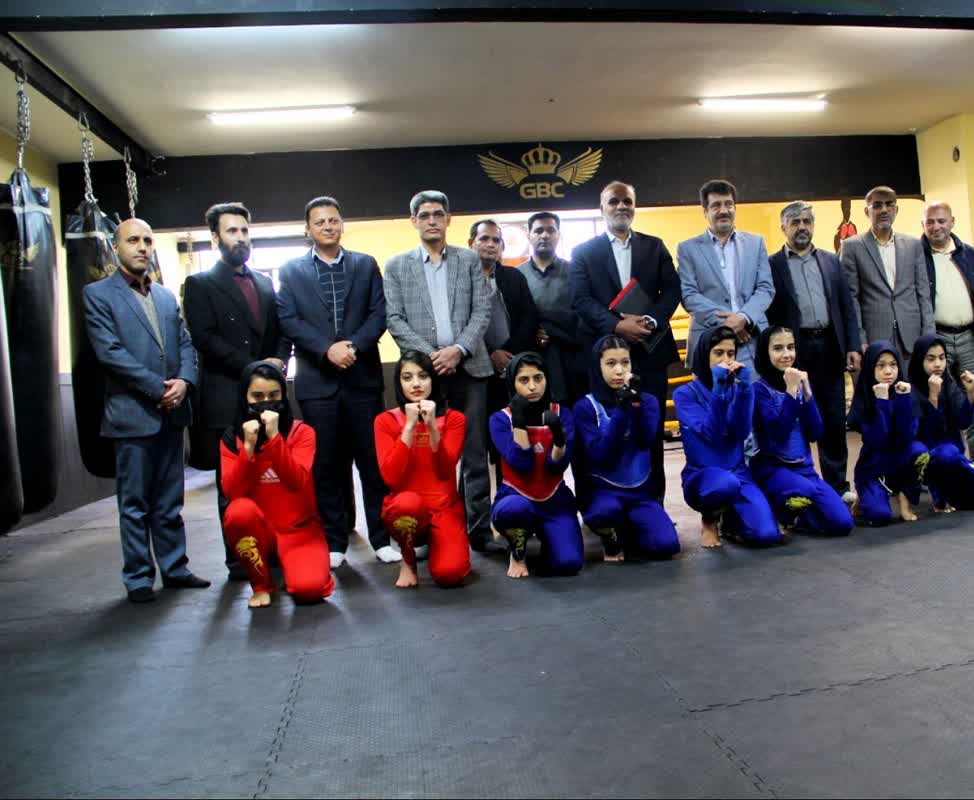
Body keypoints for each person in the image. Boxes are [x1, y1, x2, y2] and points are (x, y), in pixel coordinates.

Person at [83, 218, 209, 602]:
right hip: (133, 415)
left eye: (148, 240)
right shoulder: (98, 294)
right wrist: (159, 389)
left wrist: (184, 382)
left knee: (170, 501)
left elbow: (185, 344)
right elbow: (110, 353)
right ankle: (138, 577)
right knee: (135, 503)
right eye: (133, 240)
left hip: (172, 413)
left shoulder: (166, 297)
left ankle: (175, 568)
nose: (142, 247)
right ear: (115, 247)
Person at [277, 196, 399, 567]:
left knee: (372, 463)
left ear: (342, 224)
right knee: (326, 465)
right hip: (317, 383)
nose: (328, 226)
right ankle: (334, 542)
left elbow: (380, 312)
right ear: (308, 229)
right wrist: (325, 350)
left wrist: (353, 346)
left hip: (362, 379)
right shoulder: (291, 270)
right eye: (320, 222)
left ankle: (381, 538)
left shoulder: (364, 264)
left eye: (333, 220)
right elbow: (289, 319)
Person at [384, 190, 499, 554]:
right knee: (426, 456)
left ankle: (479, 531)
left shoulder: (469, 260)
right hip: (424, 375)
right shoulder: (397, 266)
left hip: (470, 367)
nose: (432, 220)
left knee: (475, 454)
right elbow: (394, 318)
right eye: (424, 215)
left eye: (438, 214)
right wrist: (429, 358)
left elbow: (482, 310)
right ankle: (426, 531)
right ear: (413, 221)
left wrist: (458, 349)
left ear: (448, 219)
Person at [183, 202, 291, 581]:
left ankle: (274, 551)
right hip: (225, 398)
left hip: (269, 400)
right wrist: (254, 371)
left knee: (271, 478)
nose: (241, 238)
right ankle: (239, 559)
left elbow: (280, 333)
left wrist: (277, 362)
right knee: (232, 486)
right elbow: (204, 339)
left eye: (245, 231)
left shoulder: (264, 282)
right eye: (232, 231)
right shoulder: (199, 284)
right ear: (215, 238)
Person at [572, 183, 682, 500]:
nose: (621, 206)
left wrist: (651, 320)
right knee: (606, 431)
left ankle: (654, 504)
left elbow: (672, 290)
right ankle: (605, 507)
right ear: (602, 208)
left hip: (650, 352)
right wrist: (618, 326)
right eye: (614, 201)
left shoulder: (654, 246)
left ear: (634, 206)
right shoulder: (583, 252)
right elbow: (580, 299)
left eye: (627, 201)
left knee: (651, 431)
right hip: (603, 358)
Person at [766, 201, 861, 504]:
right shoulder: (772, 265)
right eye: (795, 222)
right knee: (798, 418)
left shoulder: (831, 261)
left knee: (833, 418)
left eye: (807, 221)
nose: (802, 227)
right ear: (783, 227)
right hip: (794, 351)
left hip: (830, 347)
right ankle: (803, 485)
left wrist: (852, 345)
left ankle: (838, 486)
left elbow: (846, 307)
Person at [220, 361, 333, 608]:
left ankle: (294, 569)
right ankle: (261, 584)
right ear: (245, 397)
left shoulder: (302, 433)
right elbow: (232, 492)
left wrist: (274, 438)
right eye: (257, 397)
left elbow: (296, 481)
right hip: (259, 528)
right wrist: (248, 448)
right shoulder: (231, 438)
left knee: (309, 589)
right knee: (237, 513)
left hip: (299, 530)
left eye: (274, 396)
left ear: (283, 394)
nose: (266, 403)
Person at [573, 335, 680, 561]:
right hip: (604, 493)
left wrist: (636, 406)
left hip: (640, 493)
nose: (619, 371)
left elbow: (644, 442)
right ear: (598, 366)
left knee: (666, 545)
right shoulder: (585, 407)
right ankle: (611, 535)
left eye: (625, 362)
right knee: (605, 513)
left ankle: (629, 529)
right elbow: (602, 455)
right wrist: (621, 411)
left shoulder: (648, 401)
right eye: (611, 363)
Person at [673, 326, 781, 548]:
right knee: (724, 484)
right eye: (718, 353)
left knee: (767, 535)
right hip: (703, 477)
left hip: (738, 474)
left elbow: (741, 432)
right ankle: (710, 519)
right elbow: (712, 433)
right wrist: (719, 391)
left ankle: (731, 521)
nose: (725, 360)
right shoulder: (684, 394)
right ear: (705, 355)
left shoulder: (737, 389)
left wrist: (745, 391)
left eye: (730, 353)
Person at [374, 351, 471, 589]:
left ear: (433, 380)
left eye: (423, 376)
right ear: (398, 383)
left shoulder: (455, 419)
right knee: (406, 505)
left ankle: (441, 544)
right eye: (407, 378)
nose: (416, 384)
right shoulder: (385, 421)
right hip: (406, 507)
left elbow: (445, 470)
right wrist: (408, 427)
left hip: (443, 508)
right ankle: (408, 560)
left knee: (450, 573)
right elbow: (390, 477)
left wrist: (432, 427)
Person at [750, 327, 854, 535]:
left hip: (804, 469)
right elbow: (779, 435)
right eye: (778, 348)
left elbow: (816, 433)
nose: (786, 354)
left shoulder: (798, 383)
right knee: (804, 490)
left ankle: (800, 518)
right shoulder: (759, 390)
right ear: (764, 352)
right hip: (773, 469)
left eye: (791, 347)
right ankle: (775, 504)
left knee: (842, 523)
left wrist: (807, 394)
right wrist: (790, 392)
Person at [489, 352, 583, 578]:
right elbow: (522, 463)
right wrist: (519, 421)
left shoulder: (563, 414)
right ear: (512, 383)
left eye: (538, 378)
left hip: (554, 500)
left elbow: (556, 467)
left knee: (568, 563)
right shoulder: (500, 419)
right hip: (516, 497)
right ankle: (517, 552)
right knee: (514, 511)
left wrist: (559, 440)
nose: (532, 386)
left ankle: (551, 540)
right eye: (524, 380)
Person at [678, 179, 775, 370]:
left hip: (752, 340)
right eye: (716, 205)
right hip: (709, 343)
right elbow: (688, 295)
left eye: (728, 204)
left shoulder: (756, 243)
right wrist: (729, 323)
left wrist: (744, 317)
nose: (723, 210)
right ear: (705, 211)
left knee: (755, 390)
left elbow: (765, 288)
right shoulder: (687, 249)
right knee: (712, 391)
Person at [839, 186, 934, 360]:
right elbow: (851, 299)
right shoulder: (852, 247)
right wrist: (859, 338)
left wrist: (929, 336)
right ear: (867, 212)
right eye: (877, 205)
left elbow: (923, 294)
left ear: (896, 210)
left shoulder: (913, 245)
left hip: (912, 338)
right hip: (874, 339)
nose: (884, 210)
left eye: (889, 204)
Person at [847, 341, 928, 526]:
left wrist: (903, 400)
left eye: (893, 364)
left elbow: (906, 438)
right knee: (879, 516)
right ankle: (864, 493)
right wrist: (882, 402)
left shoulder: (905, 391)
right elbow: (878, 441)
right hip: (874, 467)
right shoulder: (866, 396)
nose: (888, 371)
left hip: (900, 462)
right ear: (871, 368)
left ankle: (905, 498)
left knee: (919, 451)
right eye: (881, 365)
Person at [468, 219, 538, 416]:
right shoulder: (461, 280)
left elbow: (529, 317)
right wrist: (491, 353)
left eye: (496, 240)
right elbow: (460, 323)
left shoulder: (514, 277)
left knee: (518, 422)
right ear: (471, 243)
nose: (491, 244)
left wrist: (508, 353)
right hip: (475, 366)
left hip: (514, 364)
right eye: (484, 239)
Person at [920, 200, 974, 454]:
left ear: (952, 222)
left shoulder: (968, 254)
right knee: (941, 402)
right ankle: (949, 464)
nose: (936, 226)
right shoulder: (917, 256)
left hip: (968, 338)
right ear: (923, 225)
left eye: (941, 221)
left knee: (973, 397)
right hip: (936, 340)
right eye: (930, 222)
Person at [516, 212, 586, 404]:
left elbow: (582, 312)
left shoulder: (574, 271)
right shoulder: (516, 275)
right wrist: (534, 332)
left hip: (569, 357)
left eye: (550, 230)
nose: (544, 235)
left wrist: (552, 330)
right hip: (529, 358)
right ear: (529, 235)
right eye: (538, 230)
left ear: (558, 235)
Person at [908, 334, 974, 512]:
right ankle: (934, 490)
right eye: (931, 359)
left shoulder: (949, 384)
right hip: (925, 454)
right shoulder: (910, 389)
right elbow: (924, 433)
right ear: (920, 360)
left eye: (942, 358)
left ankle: (950, 493)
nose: (938, 364)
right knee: (945, 452)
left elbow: (963, 422)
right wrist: (933, 398)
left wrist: (971, 394)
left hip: (952, 457)